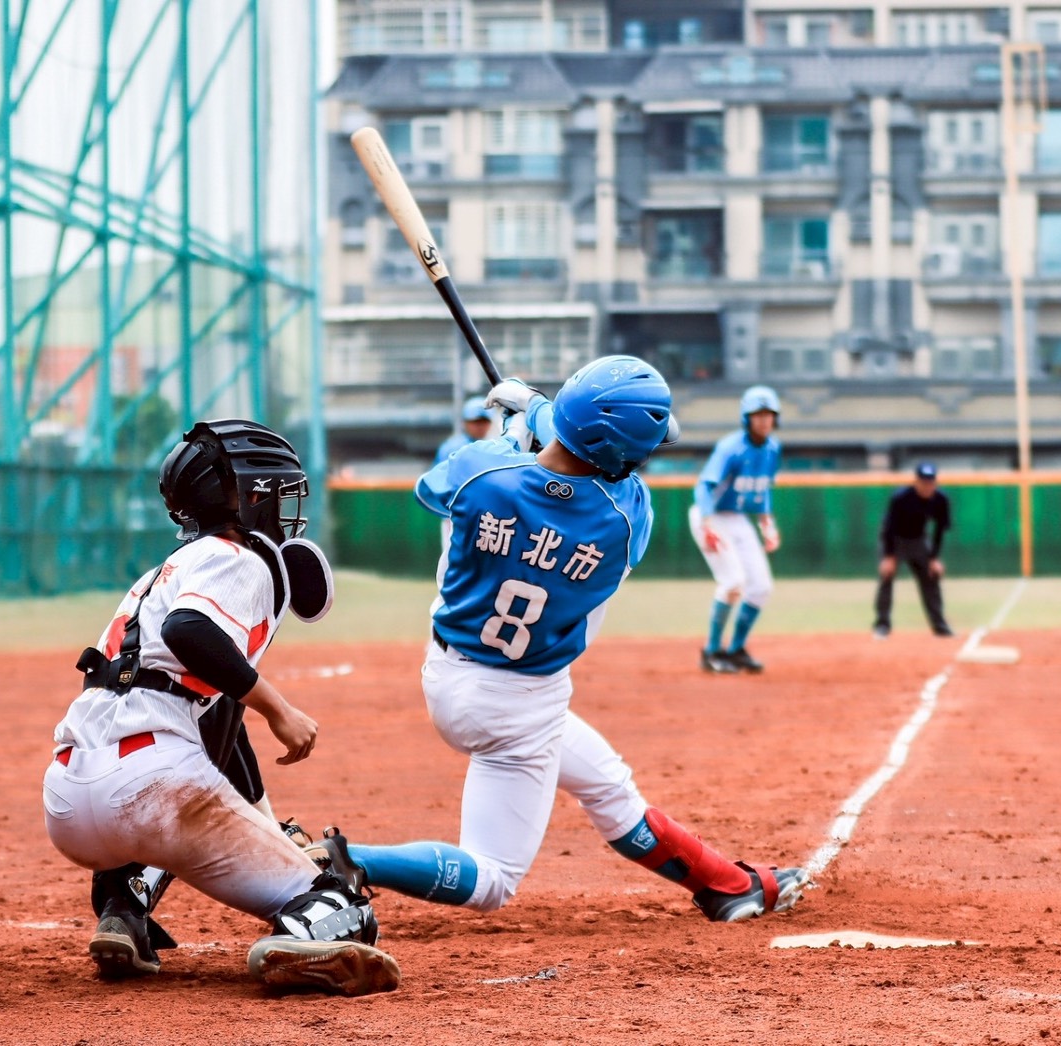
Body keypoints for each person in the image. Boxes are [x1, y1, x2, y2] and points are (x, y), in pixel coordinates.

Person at [309, 358, 808, 924]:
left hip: (449, 676)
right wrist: (534, 409)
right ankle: (351, 861)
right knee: (493, 878)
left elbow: (453, 484)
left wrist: (516, 430)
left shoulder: (479, 469)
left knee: (610, 789)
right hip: (521, 705)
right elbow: (581, 465)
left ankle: (727, 887)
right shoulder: (627, 518)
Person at [41, 420, 399, 996]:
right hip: (149, 784)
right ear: (250, 496)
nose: (284, 506)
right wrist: (278, 708)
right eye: (277, 492)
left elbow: (219, 722)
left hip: (68, 801)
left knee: (159, 821)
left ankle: (123, 905)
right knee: (344, 908)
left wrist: (265, 825)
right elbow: (189, 631)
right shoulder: (240, 559)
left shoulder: (162, 573)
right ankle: (300, 939)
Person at [689, 385, 781, 674]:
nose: (764, 420)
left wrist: (767, 523)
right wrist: (707, 524)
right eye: (758, 414)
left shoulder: (773, 448)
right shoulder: (731, 447)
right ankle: (711, 652)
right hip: (710, 516)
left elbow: (763, 489)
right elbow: (704, 486)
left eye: (769, 414)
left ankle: (737, 649)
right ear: (747, 418)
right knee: (733, 583)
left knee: (761, 588)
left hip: (737, 518)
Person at [873, 462, 953, 639]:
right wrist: (889, 557)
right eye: (924, 482)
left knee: (931, 577)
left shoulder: (941, 499)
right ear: (916, 481)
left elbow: (939, 530)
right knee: (886, 578)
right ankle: (882, 625)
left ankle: (940, 626)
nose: (927, 486)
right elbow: (889, 528)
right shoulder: (901, 498)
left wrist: (934, 558)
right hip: (895, 540)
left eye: (931, 482)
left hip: (919, 540)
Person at [434, 399, 494, 465]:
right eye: (476, 422)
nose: (481, 427)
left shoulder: (492, 446)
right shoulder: (452, 448)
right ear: (465, 423)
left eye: (485, 422)